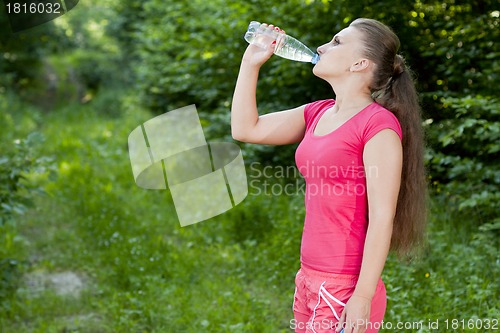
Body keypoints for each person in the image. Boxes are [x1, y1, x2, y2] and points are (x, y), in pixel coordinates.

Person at [231, 18, 427, 333]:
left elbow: (381, 217)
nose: (322, 47)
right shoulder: (318, 113)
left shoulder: (377, 126)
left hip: (345, 286)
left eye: (336, 42)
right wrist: (250, 62)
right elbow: (245, 128)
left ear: (360, 63)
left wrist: (362, 296)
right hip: (309, 277)